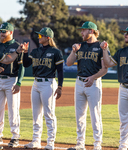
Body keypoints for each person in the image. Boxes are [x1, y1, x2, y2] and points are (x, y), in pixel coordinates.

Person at [66, 21, 108, 150]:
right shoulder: (80, 46)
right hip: (79, 82)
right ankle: (80, 144)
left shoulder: (101, 46)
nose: (81, 32)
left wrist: (93, 77)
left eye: (83, 30)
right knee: (79, 115)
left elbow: (104, 69)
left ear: (91, 31)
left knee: (95, 115)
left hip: (93, 84)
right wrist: (74, 52)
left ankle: (97, 144)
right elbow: (68, 63)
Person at [23, 27, 64, 150]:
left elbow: (60, 71)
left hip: (48, 83)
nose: (39, 37)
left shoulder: (56, 52)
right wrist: (25, 52)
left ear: (48, 38)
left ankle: (50, 142)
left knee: (49, 114)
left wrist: (60, 86)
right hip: (36, 83)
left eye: (41, 36)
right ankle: (36, 140)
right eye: (39, 35)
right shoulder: (35, 51)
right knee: (36, 114)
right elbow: (26, 64)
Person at [0, 22, 25, 148]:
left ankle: (15, 136)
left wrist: (19, 82)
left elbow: (22, 66)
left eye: (4, 31)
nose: (1, 33)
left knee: (13, 109)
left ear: (11, 32)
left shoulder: (18, 46)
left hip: (12, 79)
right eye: (1, 31)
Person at [101, 27, 128, 150]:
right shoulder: (121, 52)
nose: (125, 35)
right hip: (123, 87)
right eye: (125, 33)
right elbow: (108, 63)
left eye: (127, 33)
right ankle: (123, 145)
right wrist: (105, 50)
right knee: (123, 119)